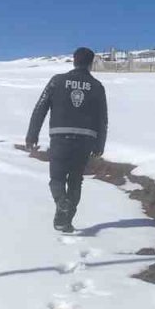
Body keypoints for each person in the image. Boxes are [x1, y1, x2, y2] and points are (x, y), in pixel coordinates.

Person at [25, 47, 109, 233]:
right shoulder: (97, 86)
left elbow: (40, 108)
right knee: (75, 180)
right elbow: (102, 118)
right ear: (90, 63)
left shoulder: (57, 81)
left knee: (56, 178)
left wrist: (32, 135)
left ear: (74, 60)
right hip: (86, 139)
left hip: (60, 137)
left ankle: (61, 203)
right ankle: (65, 221)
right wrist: (99, 143)